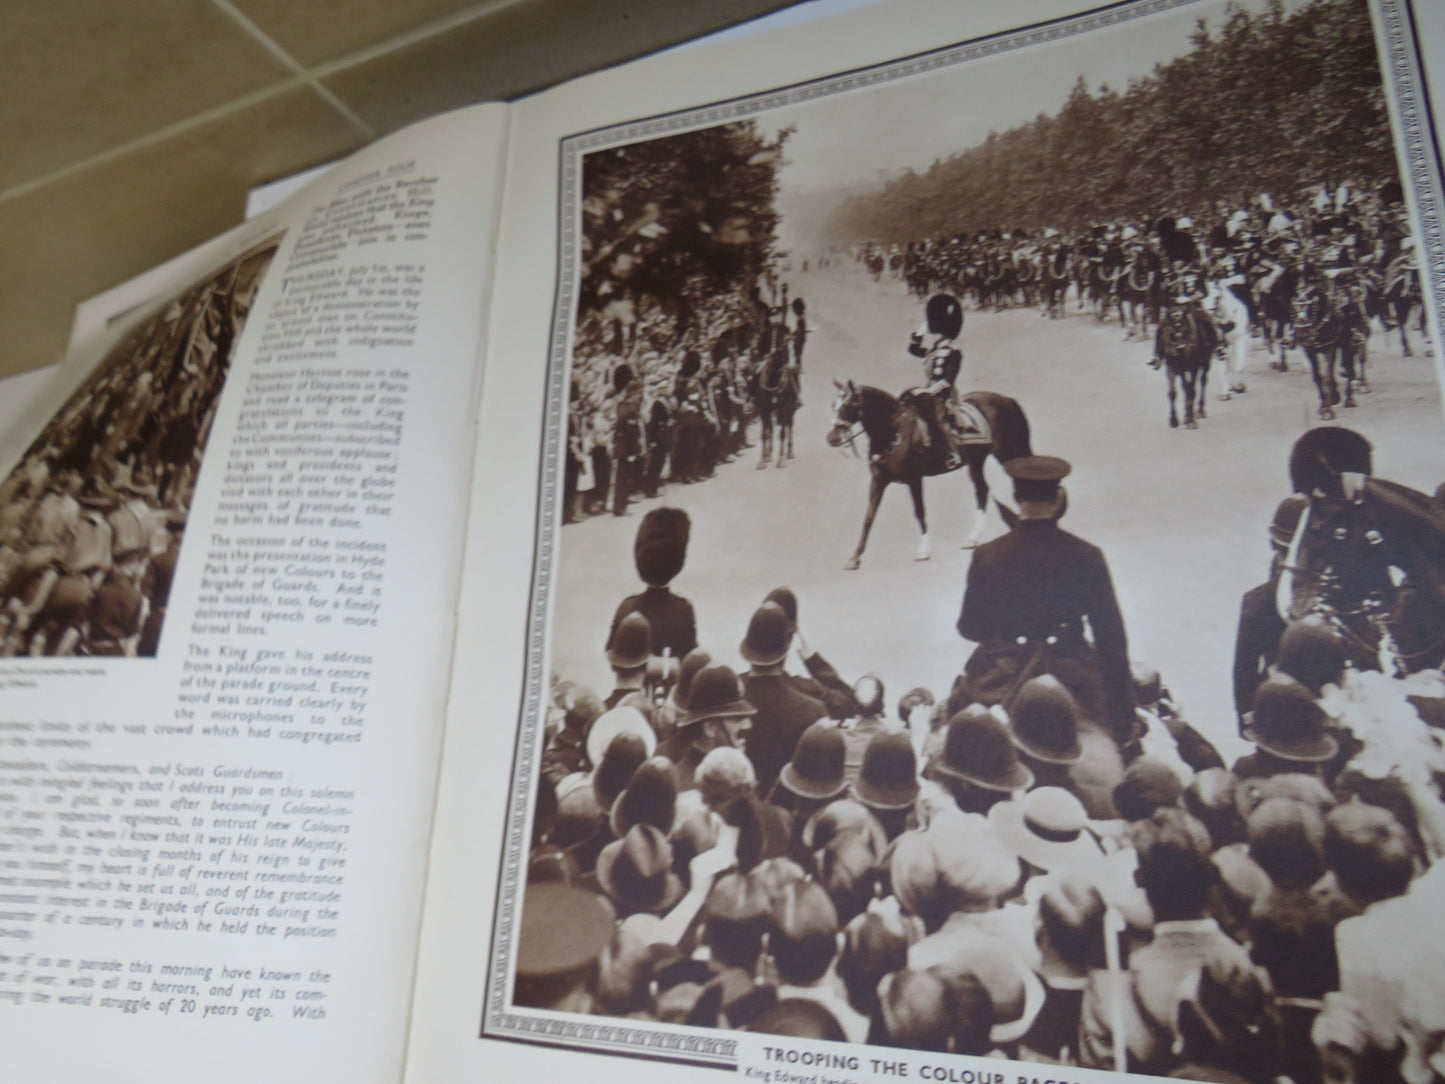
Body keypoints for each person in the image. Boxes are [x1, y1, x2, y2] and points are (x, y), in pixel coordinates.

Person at [955, 455, 1134, 744]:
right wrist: (1123, 715)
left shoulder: (987, 555)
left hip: (1001, 677)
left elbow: (969, 626)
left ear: (1016, 498)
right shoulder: (1086, 554)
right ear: (1057, 499)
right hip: (1069, 673)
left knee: (961, 738)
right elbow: (1111, 637)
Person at [901, 293, 966, 470]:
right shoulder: (934, 350)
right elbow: (913, 350)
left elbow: (948, 380)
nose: (934, 334)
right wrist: (918, 335)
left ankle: (955, 454)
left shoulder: (953, 351)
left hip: (943, 395)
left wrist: (927, 391)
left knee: (940, 419)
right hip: (929, 390)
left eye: (936, 330)